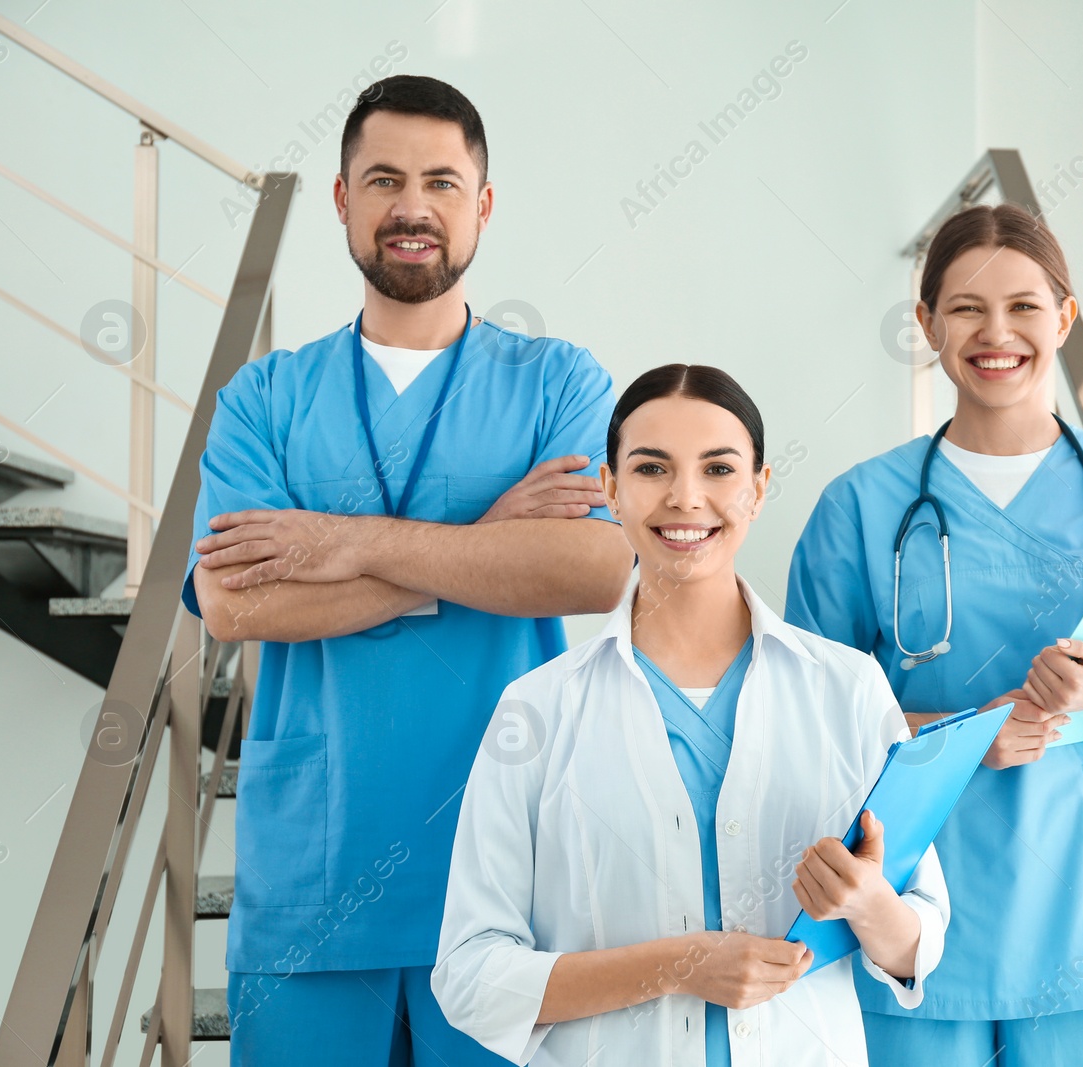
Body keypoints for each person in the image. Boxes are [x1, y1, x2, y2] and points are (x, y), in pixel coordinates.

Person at [183, 75, 633, 1065]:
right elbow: (229, 600)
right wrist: (485, 542)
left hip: (506, 882)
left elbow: (594, 569)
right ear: (344, 200)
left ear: (482, 203)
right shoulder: (264, 397)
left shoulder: (560, 382)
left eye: (441, 180)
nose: (412, 206)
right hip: (313, 878)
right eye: (383, 179)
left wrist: (340, 540)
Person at [785, 204, 1083, 1065]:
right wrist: (964, 736)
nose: (996, 332)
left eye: (1025, 307)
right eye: (964, 307)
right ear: (925, 324)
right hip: (909, 927)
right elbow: (805, 727)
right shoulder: (858, 508)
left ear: (1066, 318)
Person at [432, 365, 948, 1066]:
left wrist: (869, 903)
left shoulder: (847, 689)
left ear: (759, 488)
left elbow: (919, 936)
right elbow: (469, 975)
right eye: (651, 468)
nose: (686, 497)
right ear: (611, 489)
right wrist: (676, 964)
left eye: (718, 468)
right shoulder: (538, 710)